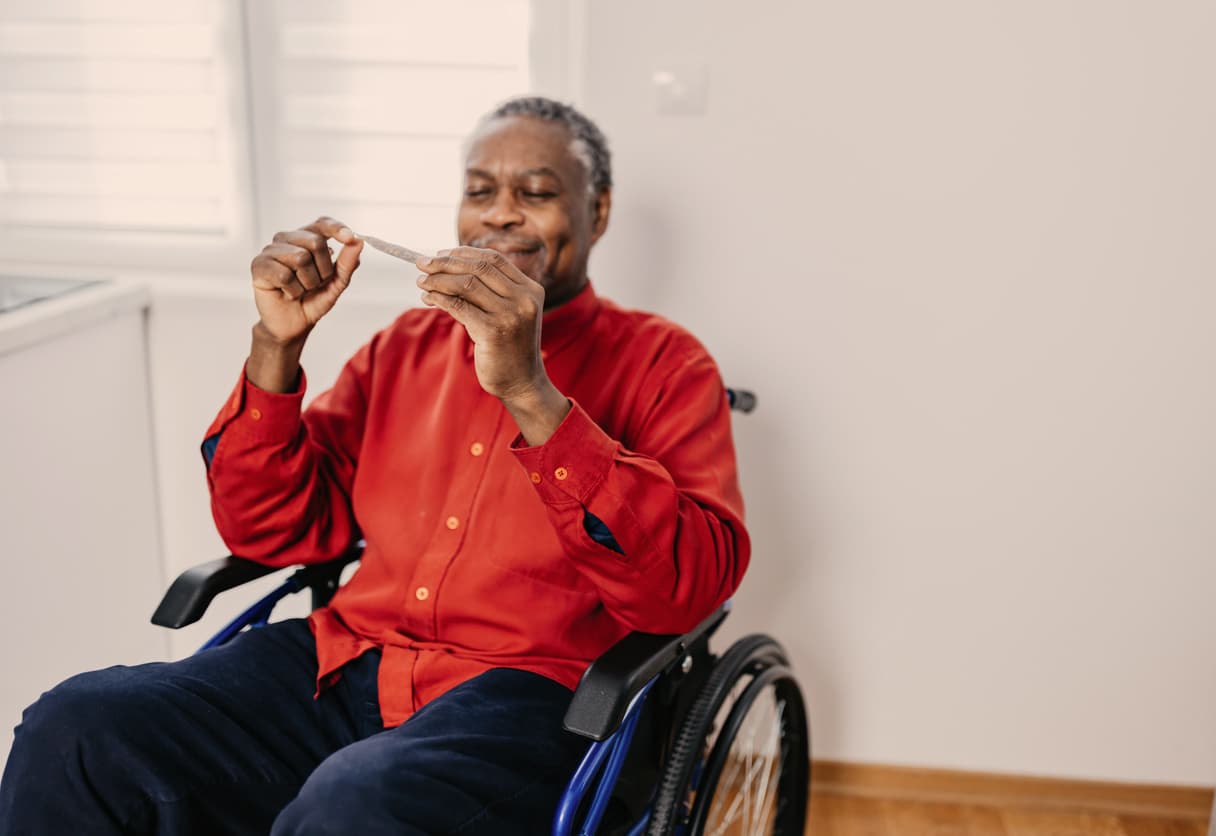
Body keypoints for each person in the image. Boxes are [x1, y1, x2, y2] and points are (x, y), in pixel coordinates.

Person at [0, 96, 749, 835]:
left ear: (600, 211)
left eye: (538, 193)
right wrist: (276, 346)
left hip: (531, 694)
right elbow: (273, 530)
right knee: (77, 728)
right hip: (346, 659)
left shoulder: (665, 363)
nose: (501, 214)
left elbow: (680, 593)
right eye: (479, 191)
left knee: (355, 801)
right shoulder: (407, 346)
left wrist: (529, 390)